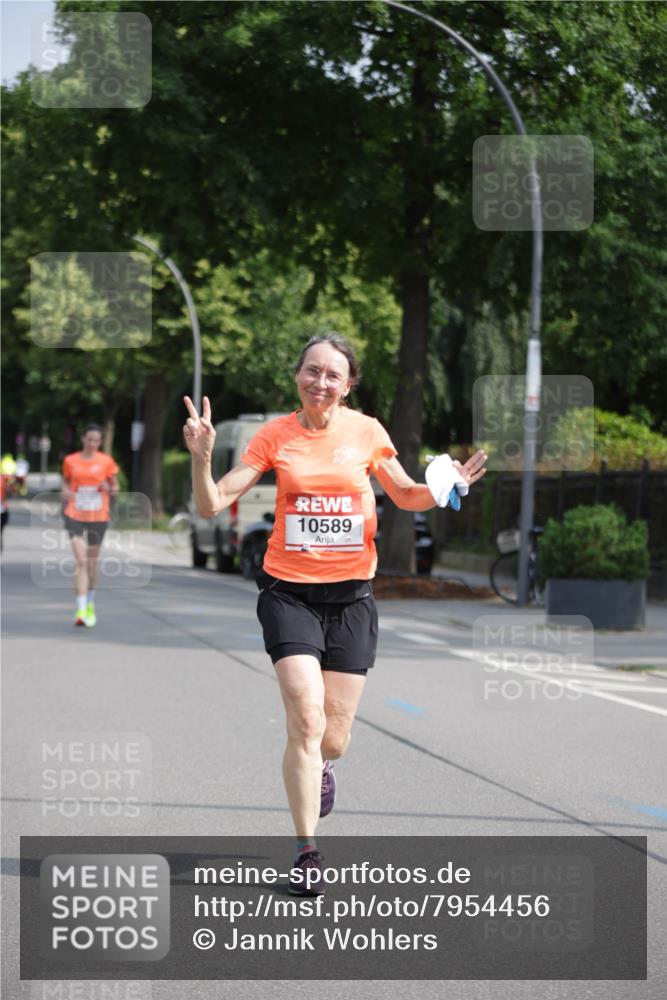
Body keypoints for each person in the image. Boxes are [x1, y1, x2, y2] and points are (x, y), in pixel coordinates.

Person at [183, 333, 487, 895]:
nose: (320, 382)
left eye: (333, 375)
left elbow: (406, 494)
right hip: (288, 594)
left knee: (334, 736)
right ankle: (306, 850)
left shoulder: (367, 431)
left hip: (351, 598)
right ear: (297, 375)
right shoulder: (274, 435)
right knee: (305, 718)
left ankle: (322, 769)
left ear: (348, 385)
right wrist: (202, 459)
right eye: (311, 371)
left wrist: (447, 487)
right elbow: (212, 502)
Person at [61, 424, 119, 627]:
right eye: (89, 439)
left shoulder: (106, 461)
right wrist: (65, 492)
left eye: (96, 440)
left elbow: (116, 488)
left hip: (98, 515)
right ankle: (80, 608)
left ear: (100, 442)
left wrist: (108, 488)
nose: (92, 443)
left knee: (92, 563)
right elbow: (65, 483)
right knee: (81, 561)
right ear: (83, 439)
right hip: (74, 513)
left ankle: (90, 604)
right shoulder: (70, 461)